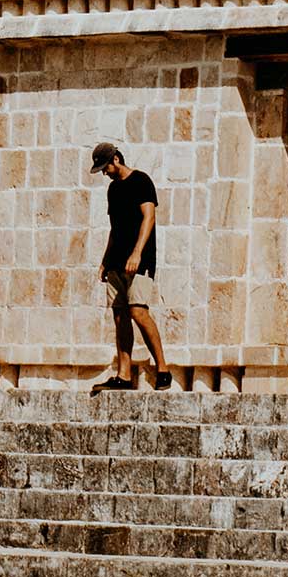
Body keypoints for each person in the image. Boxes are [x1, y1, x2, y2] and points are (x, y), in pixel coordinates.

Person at [88, 141, 170, 391]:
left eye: (105, 167)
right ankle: (123, 376)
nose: (104, 172)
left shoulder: (141, 181)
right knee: (120, 316)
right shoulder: (113, 190)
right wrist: (105, 260)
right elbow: (115, 229)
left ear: (115, 159)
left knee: (138, 311)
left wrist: (137, 253)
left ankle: (163, 369)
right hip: (117, 262)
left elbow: (149, 217)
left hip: (139, 261)